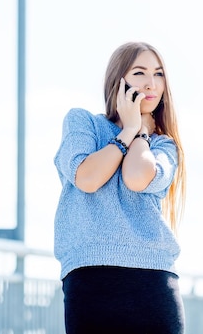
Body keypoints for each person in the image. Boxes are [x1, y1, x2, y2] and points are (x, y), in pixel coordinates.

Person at [53, 41, 187, 333]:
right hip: (90, 282)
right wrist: (126, 132)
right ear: (119, 80)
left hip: (154, 284)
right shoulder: (83, 123)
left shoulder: (163, 146)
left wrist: (139, 129)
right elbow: (87, 179)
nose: (151, 83)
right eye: (139, 72)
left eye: (159, 74)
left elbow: (136, 178)